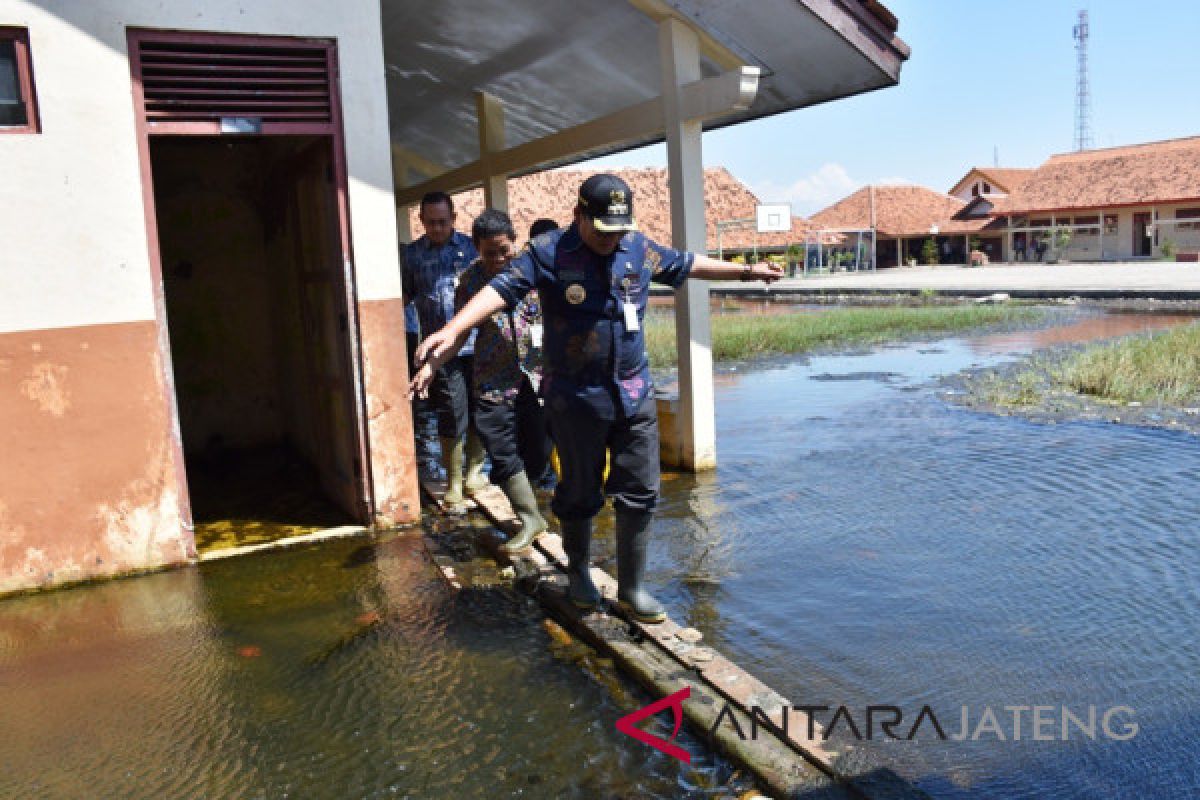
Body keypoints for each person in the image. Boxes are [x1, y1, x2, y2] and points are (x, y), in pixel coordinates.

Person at [411, 174, 783, 623]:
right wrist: (452, 329)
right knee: (579, 492)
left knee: (640, 490)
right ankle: (581, 575)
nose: (612, 239)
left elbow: (686, 264)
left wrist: (747, 272)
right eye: (603, 229)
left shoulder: (635, 247)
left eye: (618, 229)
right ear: (579, 215)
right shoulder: (548, 252)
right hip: (575, 399)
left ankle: (632, 588)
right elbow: (499, 290)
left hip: (633, 395)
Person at [413, 209, 551, 553]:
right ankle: (529, 517)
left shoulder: (536, 271)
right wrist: (432, 364)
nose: (499, 259)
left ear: (514, 243)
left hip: (538, 375)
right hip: (494, 376)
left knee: (537, 449)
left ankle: (536, 501)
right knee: (498, 443)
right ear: (476, 248)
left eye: (505, 250)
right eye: (490, 253)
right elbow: (460, 333)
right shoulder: (471, 282)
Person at [401, 191, 486, 512]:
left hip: (478, 345)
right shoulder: (413, 256)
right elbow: (405, 295)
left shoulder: (470, 249)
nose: (437, 228)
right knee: (451, 412)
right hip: (440, 351)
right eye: (430, 222)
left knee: (482, 408)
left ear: (454, 219)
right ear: (421, 221)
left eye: (443, 222)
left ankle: (474, 472)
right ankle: (453, 480)